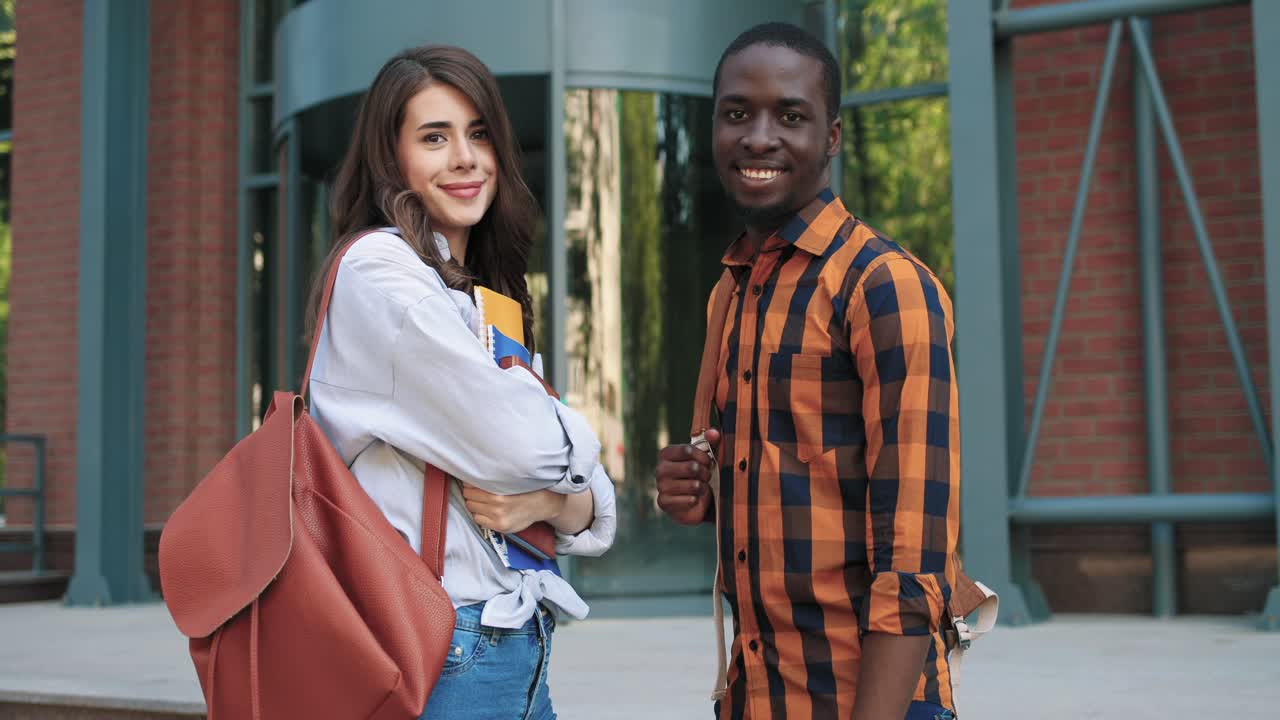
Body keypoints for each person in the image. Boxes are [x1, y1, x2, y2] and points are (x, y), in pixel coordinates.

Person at [655, 22, 986, 720]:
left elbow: (914, 551)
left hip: (870, 700)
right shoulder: (731, 290)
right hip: (755, 696)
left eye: (791, 116)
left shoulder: (884, 286)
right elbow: (783, 481)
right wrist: (698, 493)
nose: (759, 137)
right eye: (737, 113)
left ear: (831, 137)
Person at [307, 45, 615, 720]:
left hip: (514, 646)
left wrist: (552, 504)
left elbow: (587, 504)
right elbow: (523, 445)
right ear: (392, 159)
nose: (466, 158)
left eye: (479, 134)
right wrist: (566, 471)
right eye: (434, 137)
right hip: (449, 646)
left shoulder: (474, 294)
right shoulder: (382, 271)